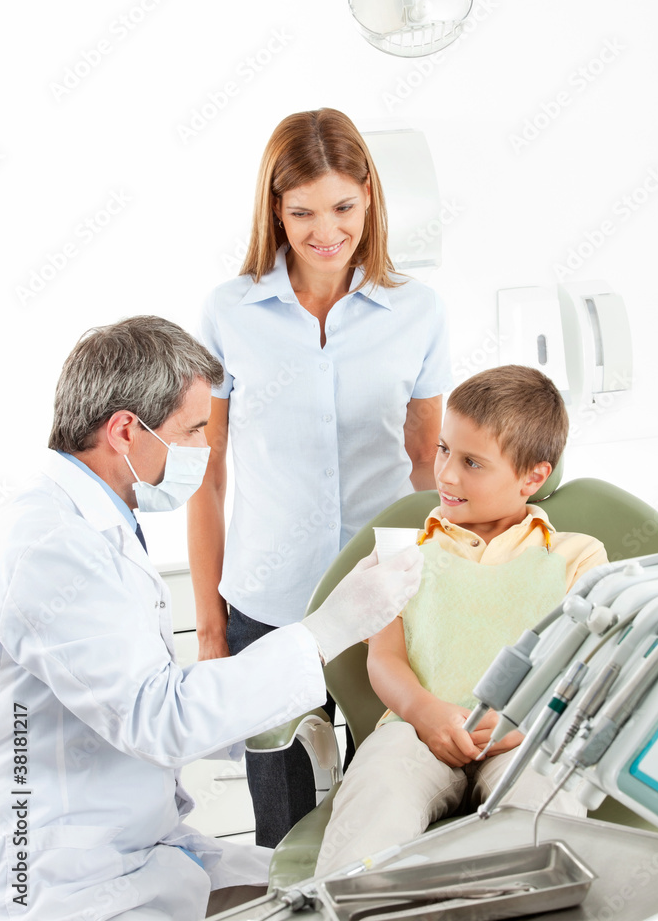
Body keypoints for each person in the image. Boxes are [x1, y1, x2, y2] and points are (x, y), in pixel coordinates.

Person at [0, 315, 424, 921]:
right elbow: (156, 717)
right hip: (72, 874)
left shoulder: (98, 521)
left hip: (139, 846)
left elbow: (142, 695)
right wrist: (329, 630)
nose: (206, 447)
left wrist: (255, 716)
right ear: (125, 430)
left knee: (326, 885)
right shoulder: (52, 546)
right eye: (194, 429)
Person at [189, 107, 451, 846]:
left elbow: (426, 468)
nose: (326, 231)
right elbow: (208, 475)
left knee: (386, 818)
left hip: (385, 602)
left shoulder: (418, 311)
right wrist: (211, 629)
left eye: (343, 207)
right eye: (302, 212)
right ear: (275, 209)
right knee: (282, 830)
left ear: (369, 197)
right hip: (267, 607)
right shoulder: (230, 312)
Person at [315, 365, 609, 876]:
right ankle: (340, 902)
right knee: (376, 796)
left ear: (533, 477)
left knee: (543, 811)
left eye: (472, 462)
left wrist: (528, 722)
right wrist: (423, 711)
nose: (447, 475)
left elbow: (586, 673)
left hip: (529, 737)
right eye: (444, 449)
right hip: (412, 730)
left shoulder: (578, 557)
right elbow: (385, 657)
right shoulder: (403, 550)